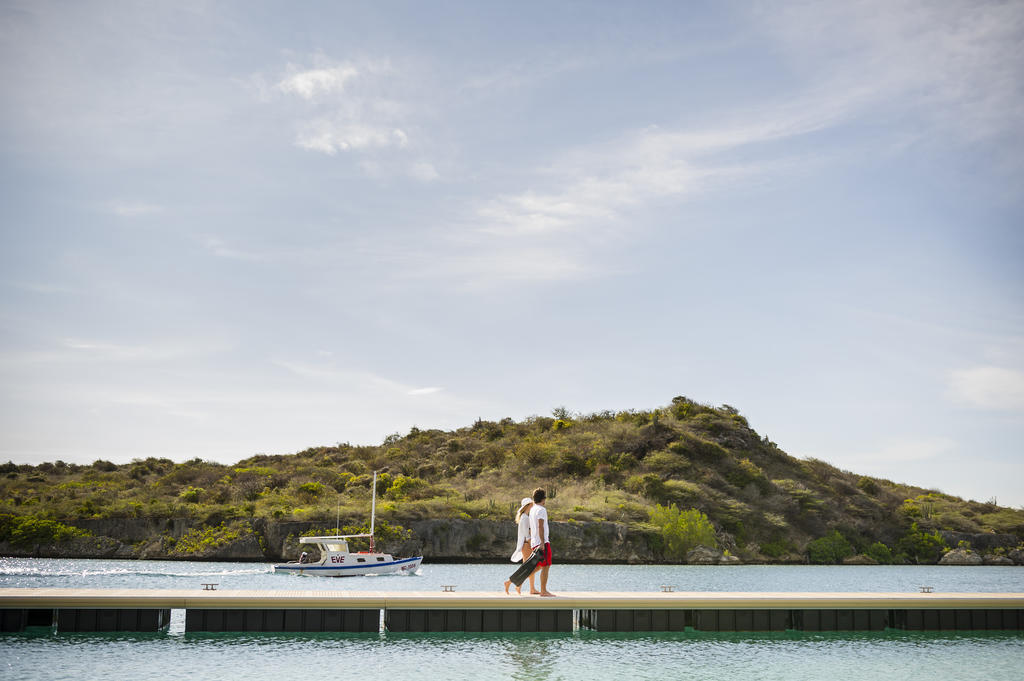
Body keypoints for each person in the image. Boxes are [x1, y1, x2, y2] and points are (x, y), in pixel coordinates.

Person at [504, 497, 537, 595]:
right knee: (528, 568)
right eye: (532, 504)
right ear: (528, 505)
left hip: (527, 545)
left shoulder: (526, 517)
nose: (533, 505)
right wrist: (533, 546)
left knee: (529, 568)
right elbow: (527, 535)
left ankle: (528, 588)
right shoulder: (524, 518)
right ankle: (510, 582)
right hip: (527, 545)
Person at [528, 488, 554, 597]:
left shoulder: (533, 509)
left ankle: (514, 581)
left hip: (534, 541)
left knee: (537, 566)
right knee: (546, 565)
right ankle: (543, 591)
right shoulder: (541, 510)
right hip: (541, 541)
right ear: (543, 499)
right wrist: (543, 542)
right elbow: (540, 526)